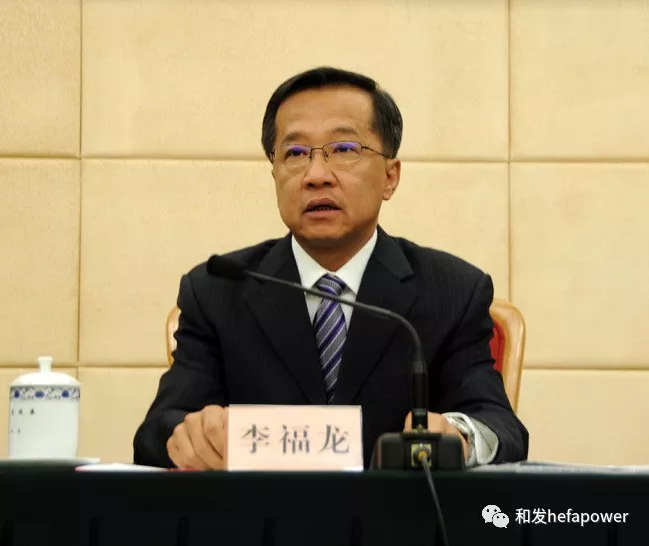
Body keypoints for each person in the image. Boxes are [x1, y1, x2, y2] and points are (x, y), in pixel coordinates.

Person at [133, 67, 528, 470]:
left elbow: (500, 426)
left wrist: (458, 436)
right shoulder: (217, 290)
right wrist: (189, 436)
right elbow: (157, 431)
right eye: (295, 154)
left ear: (390, 177)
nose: (316, 176)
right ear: (274, 173)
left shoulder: (452, 291)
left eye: (343, 149)